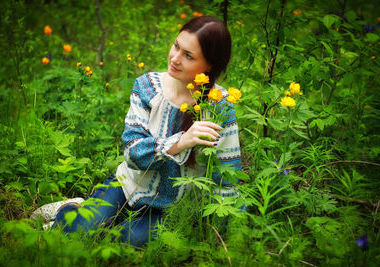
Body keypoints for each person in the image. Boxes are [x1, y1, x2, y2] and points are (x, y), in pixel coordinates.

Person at [31, 16, 242, 247]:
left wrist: (224, 236)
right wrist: (181, 142)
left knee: (122, 241)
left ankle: (97, 222)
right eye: (176, 46)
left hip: (175, 207)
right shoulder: (148, 86)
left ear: (209, 65)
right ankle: (69, 210)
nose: (175, 58)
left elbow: (227, 174)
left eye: (188, 56)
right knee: (79, 231)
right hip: (129, 185)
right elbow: (133, 152)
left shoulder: (219, 106)